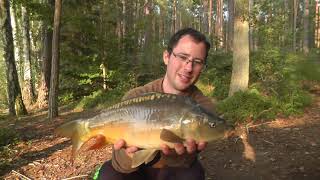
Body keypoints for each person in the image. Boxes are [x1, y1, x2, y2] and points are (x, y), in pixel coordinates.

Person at [97, 27, 215, 180]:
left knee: (192, 175)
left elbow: (186, 160)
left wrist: (161, 155)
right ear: (167, 57)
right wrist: (128, 153)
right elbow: (120, 164)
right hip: (136, 169)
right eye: (182, 57)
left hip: (174, 168)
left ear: (202, 67)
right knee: (109, 174)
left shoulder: (202, 108)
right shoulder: (137, 96)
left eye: (197, 62)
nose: (188, 68)